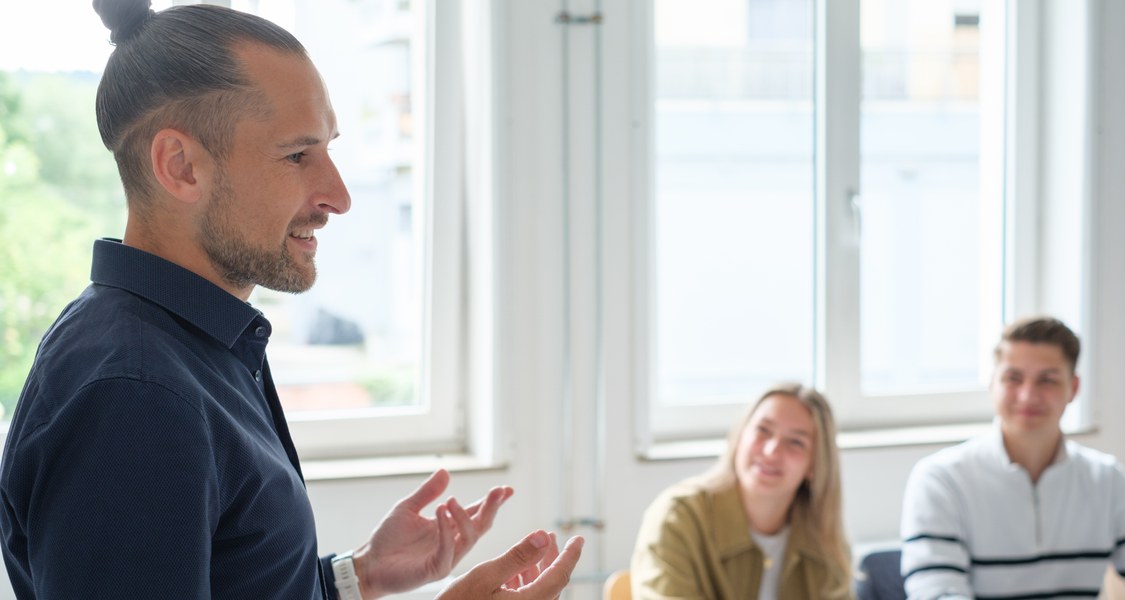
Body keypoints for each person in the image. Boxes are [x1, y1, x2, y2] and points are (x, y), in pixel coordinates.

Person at [0, 1, 583, 598]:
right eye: (297, 155)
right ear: (180, 166)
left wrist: (356, 577)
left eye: (329, 148)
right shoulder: (136, 396)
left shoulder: (195, 345)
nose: (339, 196)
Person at [900, 316, 1125, 598]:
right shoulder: (941, 479)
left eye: (1047, 380)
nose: (1028, 395)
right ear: (992, 383)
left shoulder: (1108, 480)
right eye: (1013, 378)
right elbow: (936, 593)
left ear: (1074, 388)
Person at [630, 383, 853, 600]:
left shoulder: (824, 538)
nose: (771, 451)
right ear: (739, 439)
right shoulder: (678, 517)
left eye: (795, 442)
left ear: (814, 465)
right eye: (763, 430)